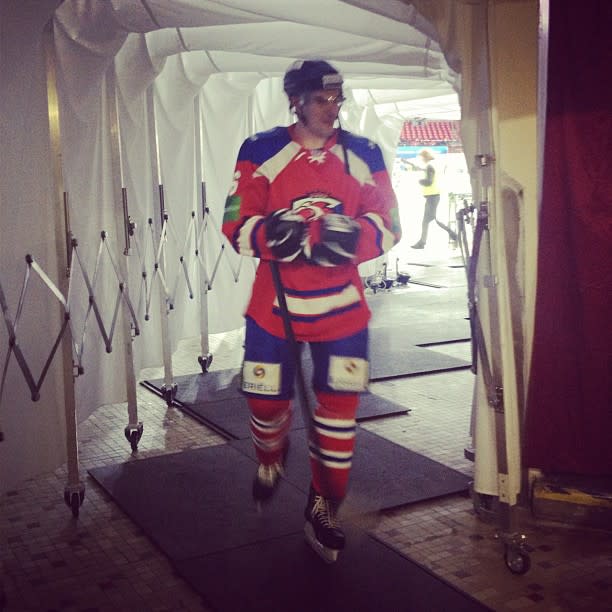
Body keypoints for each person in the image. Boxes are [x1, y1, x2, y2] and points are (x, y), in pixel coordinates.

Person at [221, 59, 401, 562]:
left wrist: (348, 237)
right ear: (295, 101)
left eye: (337, 99)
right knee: (263, 402)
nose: (333, 108)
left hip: (343, 313)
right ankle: (271, 454)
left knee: (338, 416)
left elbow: (389, 221)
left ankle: (323, 505)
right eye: (322, 99)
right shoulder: (260, 149)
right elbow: (234, 221)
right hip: (273, 308)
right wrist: (267, 233)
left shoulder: (364, 152)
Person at [410, 149, 457, 248]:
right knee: (433, 219)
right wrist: (418, 169)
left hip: (432, 196)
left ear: (425, 157)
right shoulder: (431, 165)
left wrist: (420, 181)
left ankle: (422, 242)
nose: (421, 159)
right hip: (433, 196)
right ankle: (452, 234)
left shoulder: (430, 166)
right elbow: (427, 172)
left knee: (428, 220)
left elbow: (429, 181)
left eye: (421, 157)